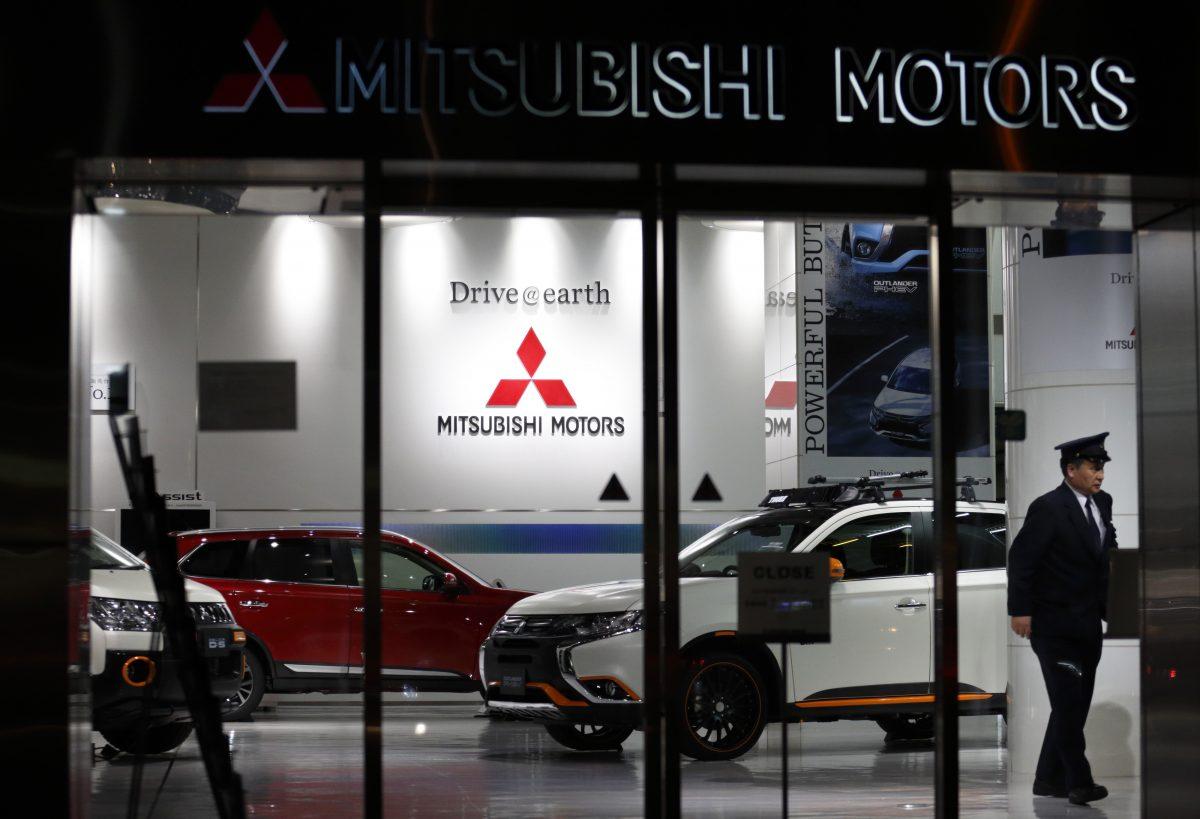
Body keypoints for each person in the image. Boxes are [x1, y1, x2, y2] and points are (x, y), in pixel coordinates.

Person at [1008, 432, 1115, 806]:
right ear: (1071, 470)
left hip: (1088, 624)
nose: (1099, 475)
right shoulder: (1049, 508)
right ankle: (1078, 782)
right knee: (1069, 704)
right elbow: (1021, 561)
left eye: (1102, 467)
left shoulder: (1103, 504)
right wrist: (1020, 610)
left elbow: (1106, 556)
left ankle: (1047, 779)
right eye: (1092, 467)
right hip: (1053, 627)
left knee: (1075, 704)